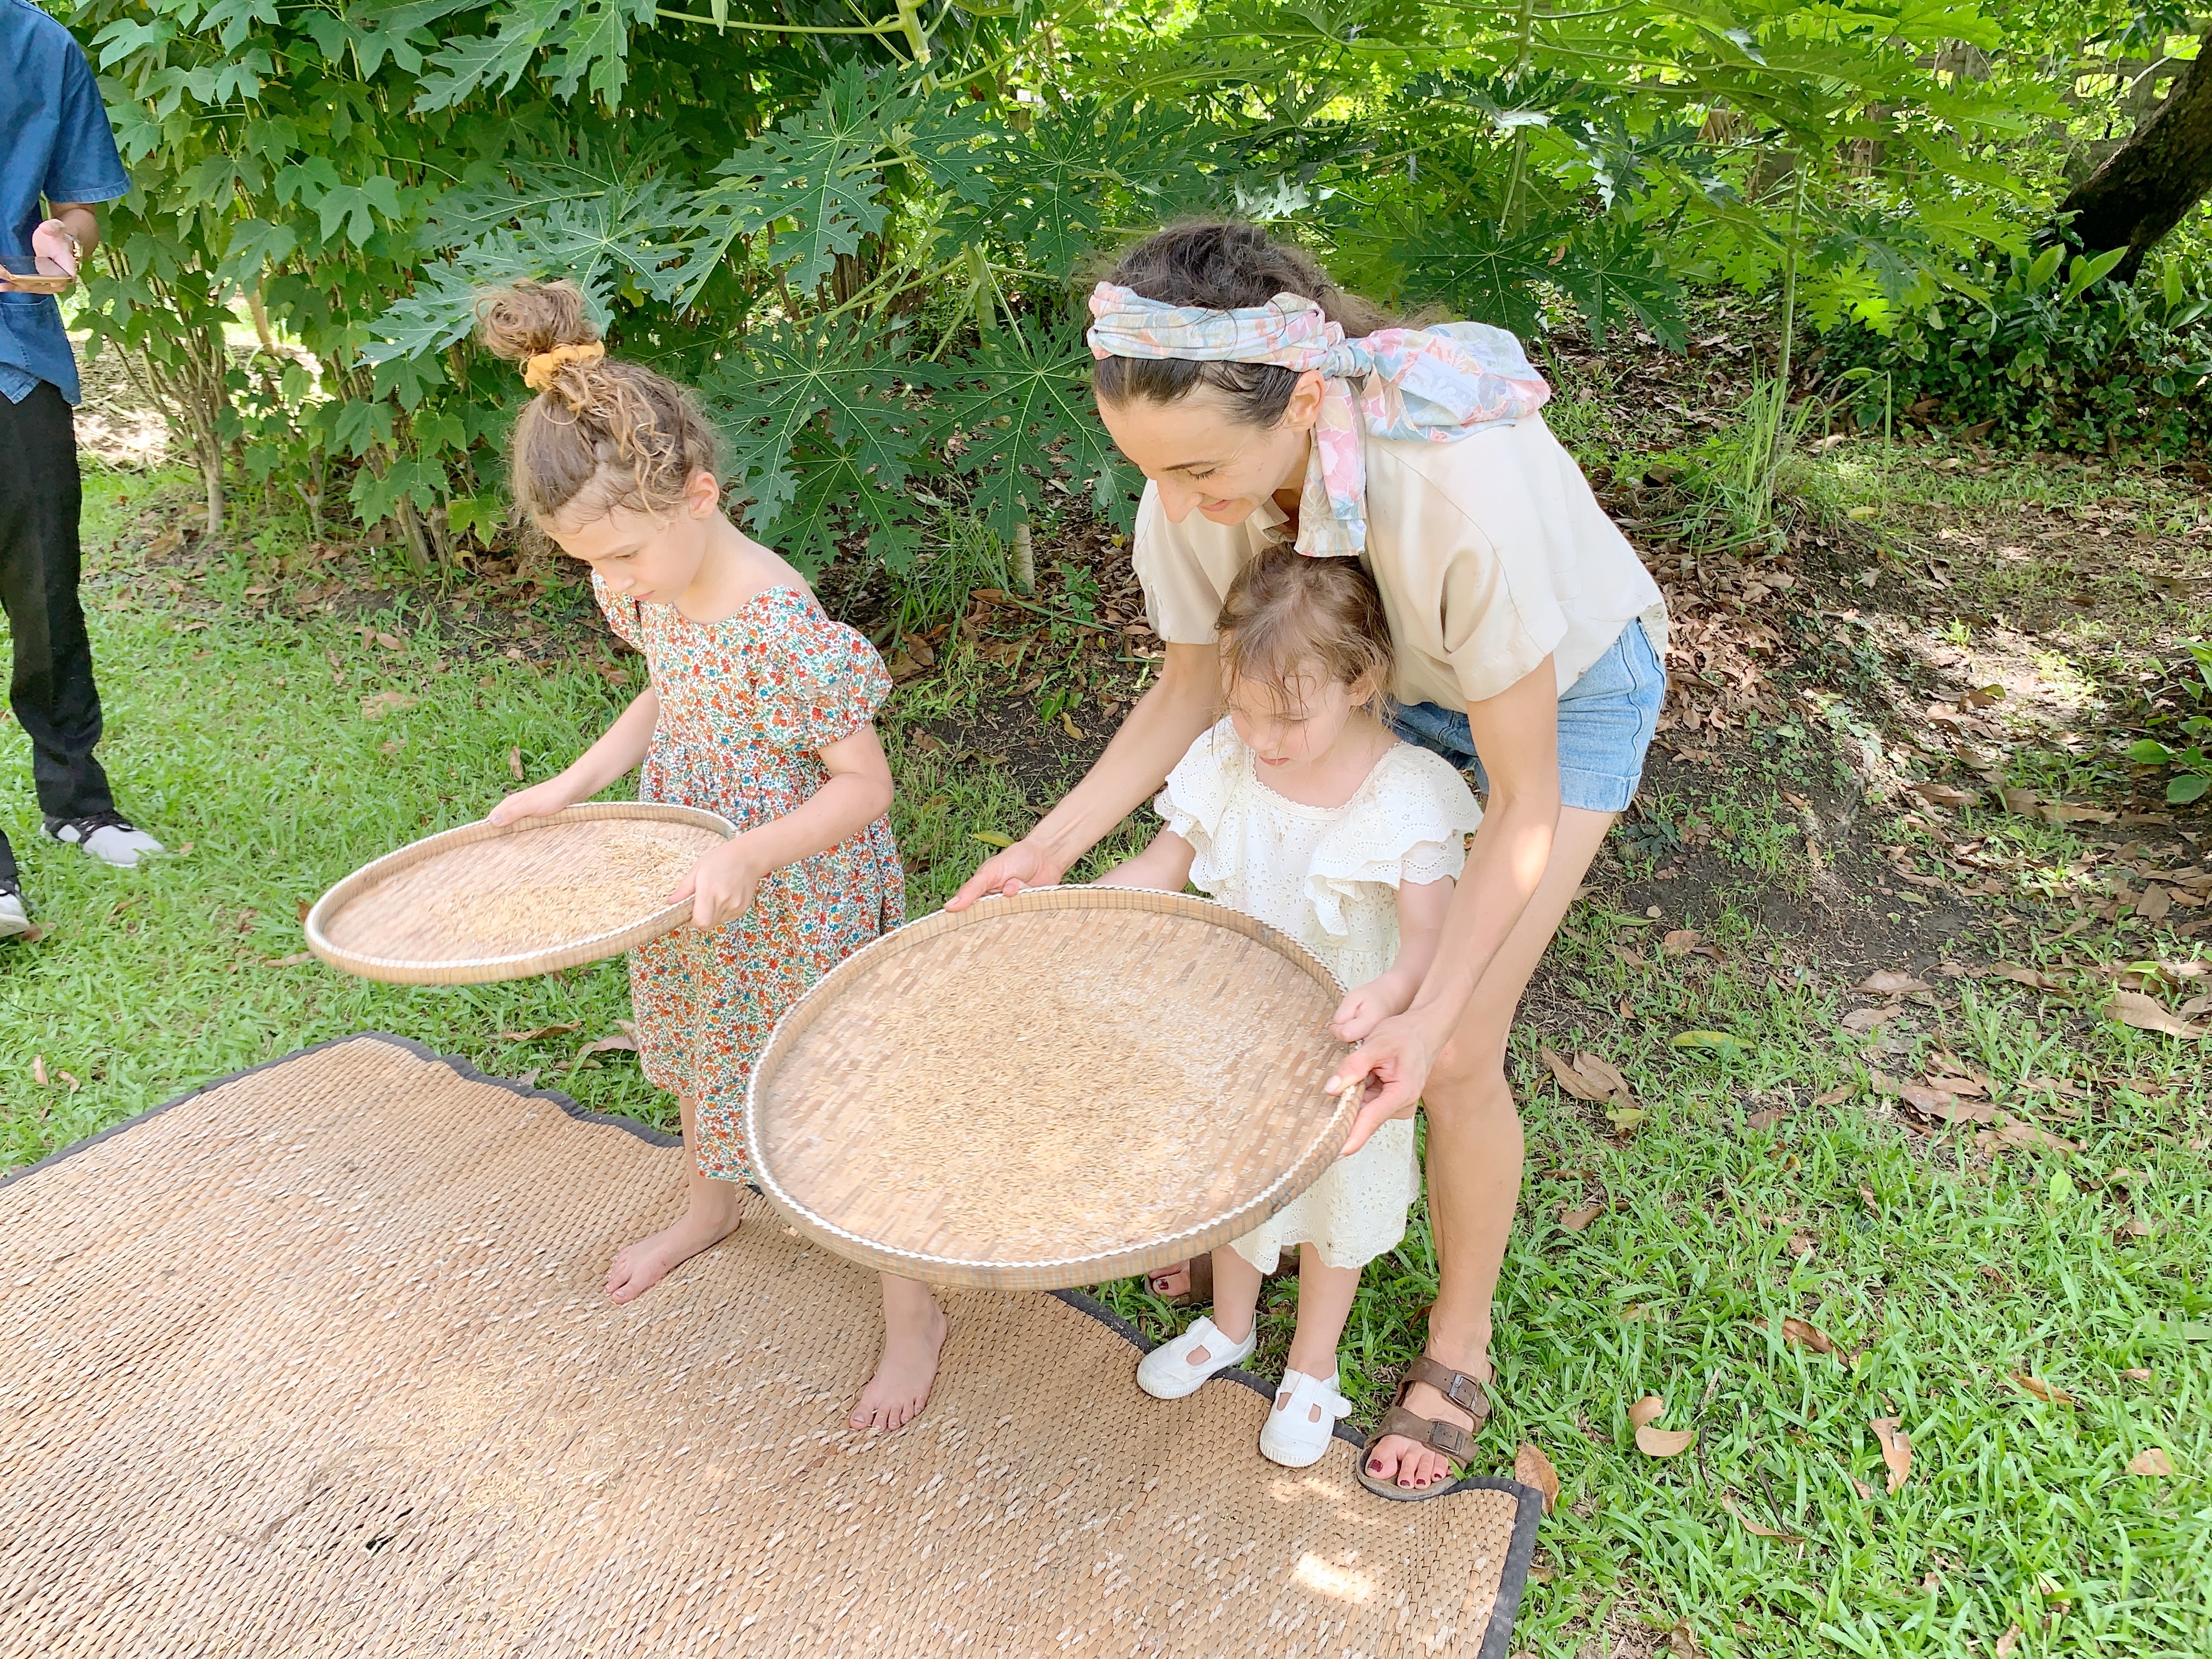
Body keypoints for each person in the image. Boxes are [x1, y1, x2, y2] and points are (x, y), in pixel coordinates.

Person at [950, 222, 1667, 1497]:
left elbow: (1525, 799)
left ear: (1309, 401)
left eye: (1198, 471)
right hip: (1357, 675)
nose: (1176, 503)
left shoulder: (1456, 493)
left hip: (1557, 703)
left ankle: (1459, 1340)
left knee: (1451, 1048)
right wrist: (1047, 847)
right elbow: (1187, 695)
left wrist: (1432, 1002)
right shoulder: (1194, 479)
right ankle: (1251, 1227)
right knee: (1283, 967)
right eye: (1148, 470)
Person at [477, 281, 944, 1433]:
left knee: (837, 1086)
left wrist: (758, 854)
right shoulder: (649, 580)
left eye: (627, 555)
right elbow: (663, 694)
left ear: (701, 493)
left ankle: (911, 1305)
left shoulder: (776, 623)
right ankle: (711, 1201)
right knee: (701, 1030)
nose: (617, 583)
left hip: (799, 893)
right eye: (594, 564)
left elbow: (865, 788)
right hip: (699, 864)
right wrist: (572, 785)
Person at [1106, 547, 1479, 1468]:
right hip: (1232, 1031)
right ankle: (1230, 1324)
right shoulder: (1230, 760)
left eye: (1288, 715)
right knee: (1235, 1177)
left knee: (1334, 1196)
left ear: (1362, 683)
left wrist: (1392, 993)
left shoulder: (1412, 794)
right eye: (1240, 706)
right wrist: (1080, 916)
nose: (1261, 735)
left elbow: (1433, 939)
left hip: (1341, 1045)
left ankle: (1313, 1364)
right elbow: (1163, 865)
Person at [1, 0, 163, 940]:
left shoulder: (38, 43)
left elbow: (79, 206)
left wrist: (66, 242)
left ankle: (78, 805)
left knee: (46, 596)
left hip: (14, 355)